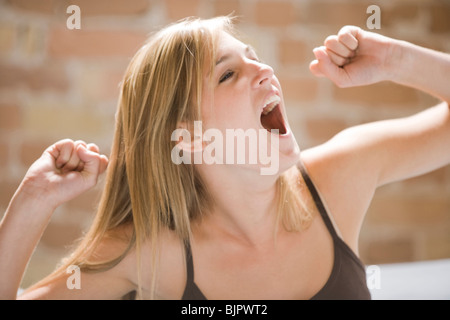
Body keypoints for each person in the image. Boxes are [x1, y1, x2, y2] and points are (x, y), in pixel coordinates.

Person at [0, 16, 449, 300]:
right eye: (228, 73)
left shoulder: (339, 177)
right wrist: (34, 198)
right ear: (189, 139)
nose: (265, 70)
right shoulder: (153, 254)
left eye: (254, 57)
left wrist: (394, 59)